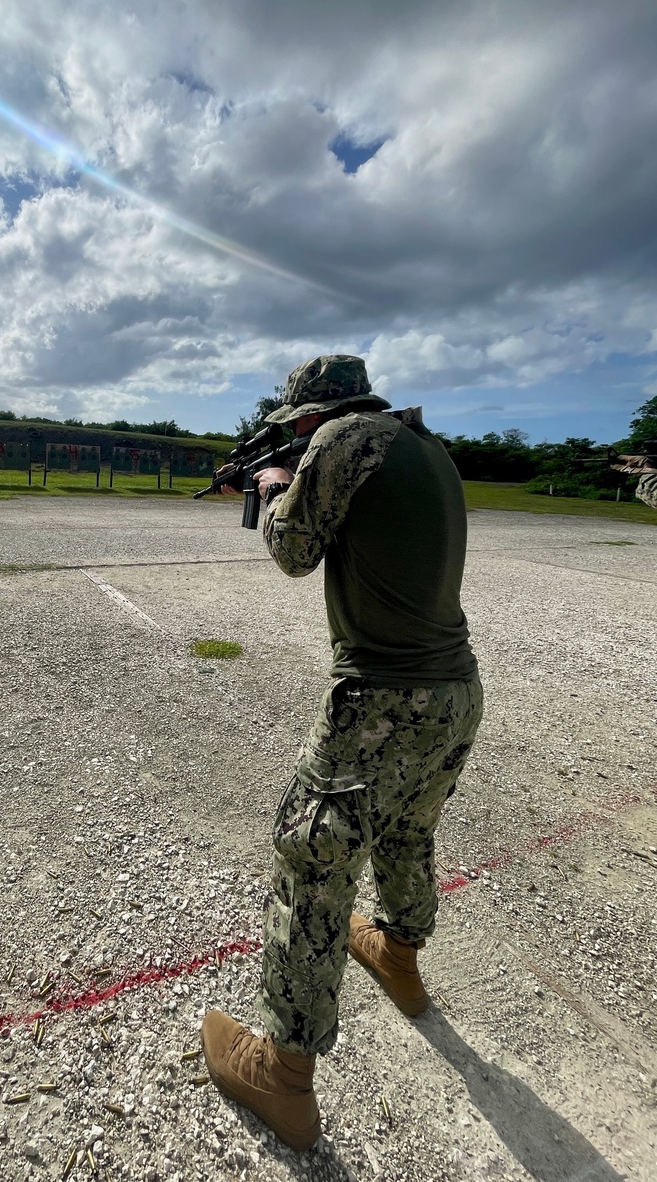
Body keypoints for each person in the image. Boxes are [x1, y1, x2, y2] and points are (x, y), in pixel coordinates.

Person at [201, 354, 483, 1152]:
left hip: (383, 699)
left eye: (294, 430)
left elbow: (292, 549)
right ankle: (399, 956)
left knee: (310, 857)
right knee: (404, 829)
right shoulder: (425, 447)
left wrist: (266, 488)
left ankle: (283, 1076)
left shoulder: (342, 437)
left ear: (310, 416)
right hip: (456, 690)